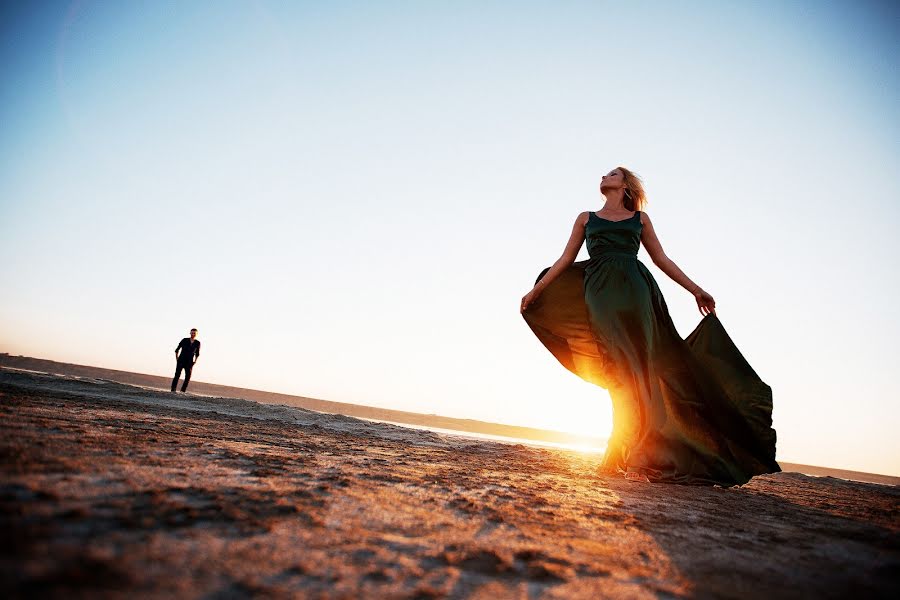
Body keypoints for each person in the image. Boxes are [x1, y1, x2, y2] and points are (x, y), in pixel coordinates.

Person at [520, 167, 779, 486]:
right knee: (618, 372)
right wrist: (537, 290)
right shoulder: (586, 218)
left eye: (612, 173)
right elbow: (564, 260)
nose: (604, 176)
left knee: (642, 372)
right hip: (601, 295)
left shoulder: (640, 220)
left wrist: (696, 289)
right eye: (604, 173)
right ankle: (622, 453)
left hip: (638, 293)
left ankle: (632, 457)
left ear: (625, 184)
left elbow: (662, 260)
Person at [172, 328, 201, 393]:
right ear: (190, 333)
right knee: (177, 375)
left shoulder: (197, 343)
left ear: (196, 334)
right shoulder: (184, 340)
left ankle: (182, 391)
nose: (193, 334)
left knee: (187, 377)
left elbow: (197, 354)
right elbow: (177, 350)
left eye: (194, 333)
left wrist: (195, 361)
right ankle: (173, 390)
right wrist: (177, 358)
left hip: (189, 362)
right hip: (181, 360)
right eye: (192, 333)